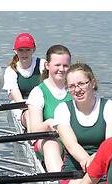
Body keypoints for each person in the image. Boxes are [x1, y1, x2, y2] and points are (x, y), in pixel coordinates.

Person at [54, 62, 112, 184]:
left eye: (81, 84)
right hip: (74, 174)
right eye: (71, 86)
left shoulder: (108, 107)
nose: (77, 89)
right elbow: (72, 145)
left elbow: (111, 144)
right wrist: (87, 161)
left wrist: (96, 163)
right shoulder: (63, 109)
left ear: (92, 83)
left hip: (103, 172)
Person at [26, 44, 72, 172]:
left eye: (65, 65)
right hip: (49, 140)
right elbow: (33, 131)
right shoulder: (38, 92)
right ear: (47, 65)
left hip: (74, 138)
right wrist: (50, 123)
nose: (61, 69)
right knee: (51, 145)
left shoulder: (75, 89)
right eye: (57, 65)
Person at [3, 32, 45, 129]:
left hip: (41, 103)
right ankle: (33, 140)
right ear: (15, 51)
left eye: (27, 50)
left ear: (33, 50)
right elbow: (19, 102)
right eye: (20, 50)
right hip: (21, 107)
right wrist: (34, 110)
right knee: (28, 114)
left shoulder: (43, 65)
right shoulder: (11, 71)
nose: (24, 53)